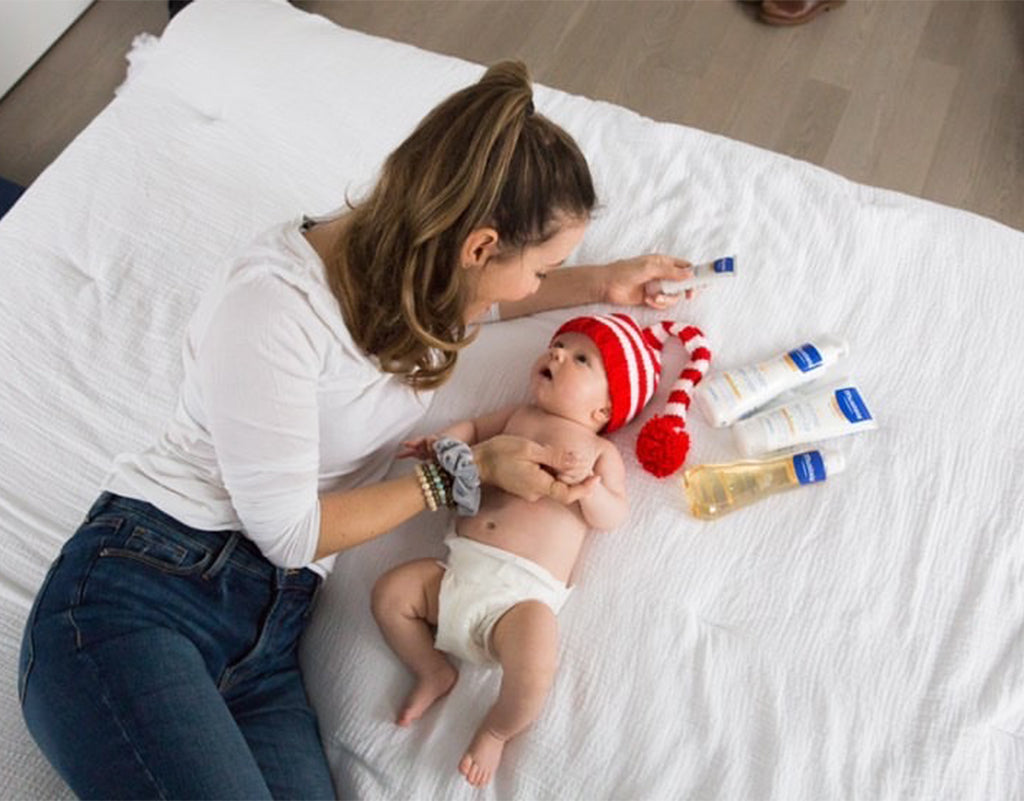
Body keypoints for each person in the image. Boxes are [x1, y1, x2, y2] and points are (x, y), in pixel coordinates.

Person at [18, 61, 697, 800]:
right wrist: (460, 471)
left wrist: (601, 284)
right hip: (144, 591)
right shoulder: (274, 310)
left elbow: (492, 303)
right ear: (479, 247)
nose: (538, 290)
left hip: (267, 638)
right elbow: (287, 531)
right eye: (542, 270)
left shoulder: (423, 284)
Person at [372, 312, 711, 788]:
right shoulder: (516, 416)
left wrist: (590, 489)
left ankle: (496, 728)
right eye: (557, 345)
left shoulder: (600, 453)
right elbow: (470, 428)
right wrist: (444, 445)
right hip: (455, 573)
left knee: (534, 667)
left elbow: (613, 516)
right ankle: (431, 670)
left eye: (580, 358)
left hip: (517, 601)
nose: (555, 354)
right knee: (390, 593)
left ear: (602, 411)